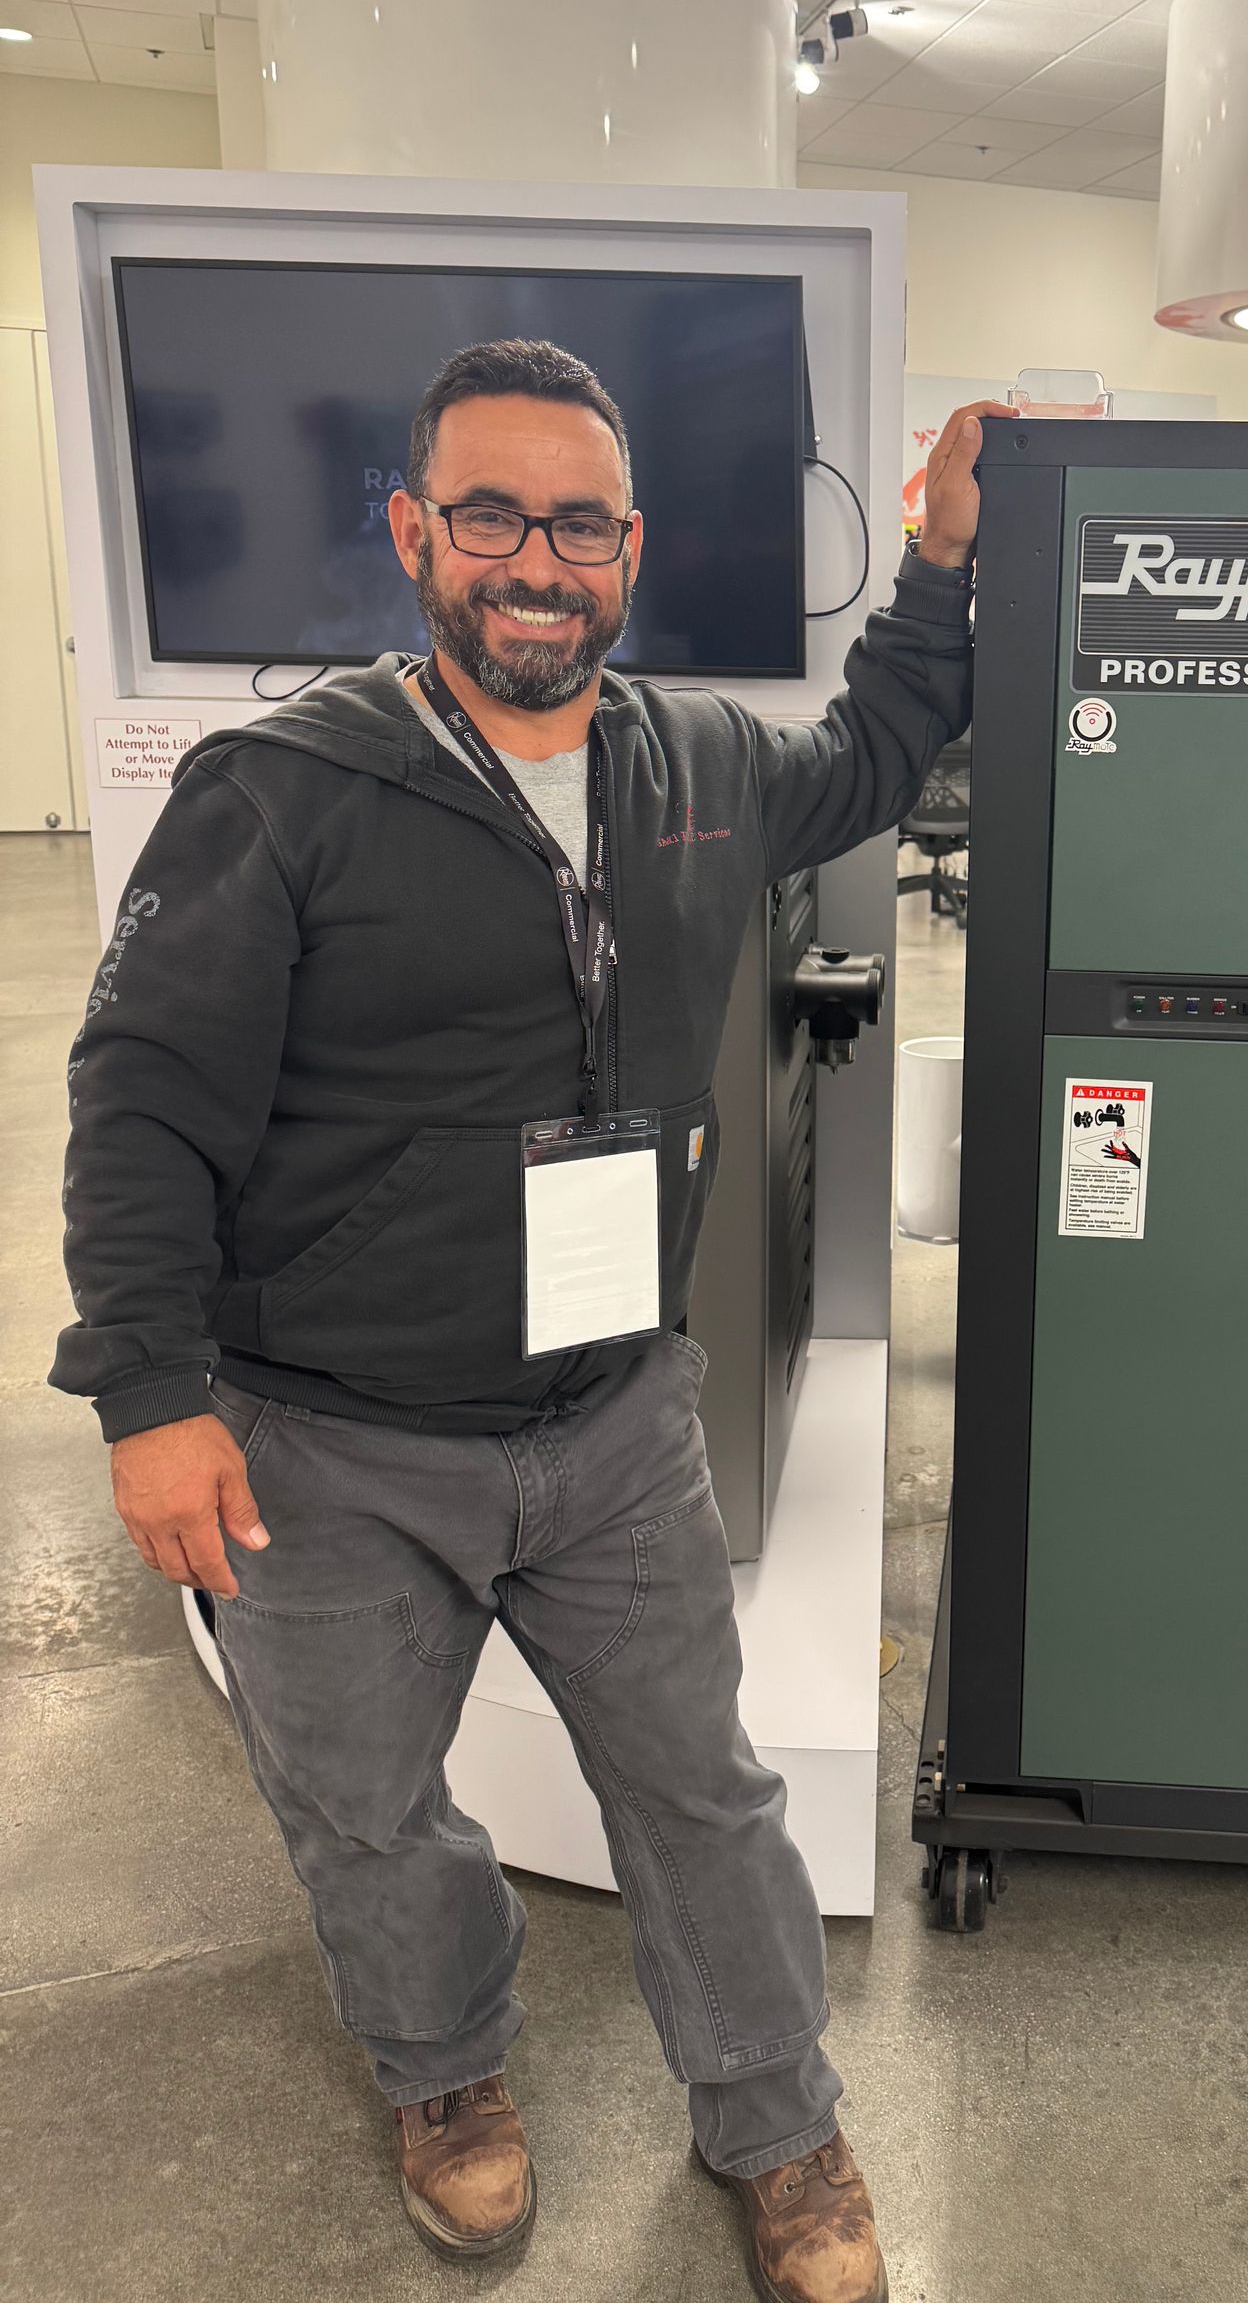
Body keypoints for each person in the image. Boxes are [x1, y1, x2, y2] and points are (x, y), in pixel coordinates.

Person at [51, 337, 1003, 2298]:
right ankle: (446, 2075)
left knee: (706, 1793)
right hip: (325, 1440)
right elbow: (140, 1098)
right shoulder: (285, 790)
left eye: (576, 520)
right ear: (415, 533)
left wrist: (942, 567)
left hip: (611, 1415)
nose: (533, 559)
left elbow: (883, 750)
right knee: (370, 1808)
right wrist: (151, 1390)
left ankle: (778, 2120)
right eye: (488, 514)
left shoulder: (701, 764)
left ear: (629, 545)